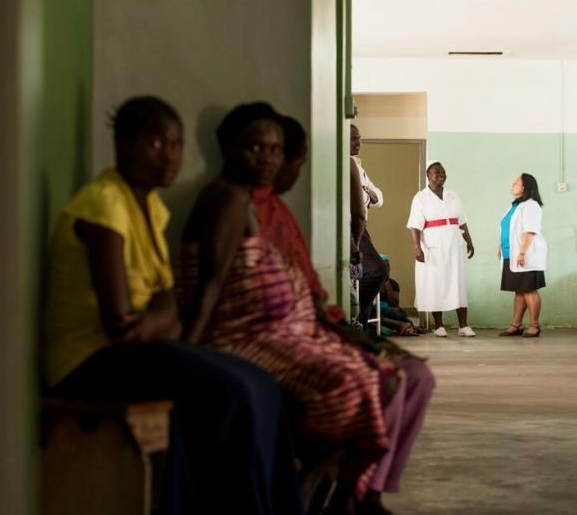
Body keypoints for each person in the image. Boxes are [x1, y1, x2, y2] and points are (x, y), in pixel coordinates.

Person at [43, 96, 302, 514]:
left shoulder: (151, 207)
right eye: (157, 144)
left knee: (261, 384)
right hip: (89, 361)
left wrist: (155, 322)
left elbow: (167, 304)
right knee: (230, 394)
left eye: (177, 145)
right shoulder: (104, 203)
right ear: (124, 146)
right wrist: (156, 322)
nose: (171, 157)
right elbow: (119, 324)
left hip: (137, 350)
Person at [182, 103, 434, 515]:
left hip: (287, 330)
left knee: (396, 374)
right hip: (247, 336)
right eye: (255, 148)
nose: (268, 160)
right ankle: (332, 491)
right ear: (228, 148)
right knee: (368, 381)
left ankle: (350, 493)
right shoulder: (227, 199)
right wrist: (189, 354)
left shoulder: (252, 203)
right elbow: (211, 287)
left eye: (276, 151)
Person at [407, 161, 477, 337]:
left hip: (454, 243)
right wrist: (417, 248)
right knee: (436, 283)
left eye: (443, 173)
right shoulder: (420, 198)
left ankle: (463, 325)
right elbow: (415, 225)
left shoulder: (452, 195)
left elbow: (461, 221)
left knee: (458, 282)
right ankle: (439, 326)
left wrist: (469, 241)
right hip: (433, 246)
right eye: (437, 173)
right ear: (428, 175)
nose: (441, 176)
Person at [497, 173, 547, 338]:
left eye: (516, 182)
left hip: (524, 254)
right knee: (519, 290)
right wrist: (501, 246)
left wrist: (522, 252)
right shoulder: (515, 205)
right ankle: (516, 325)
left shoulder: (531, 205)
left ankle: (534, 325)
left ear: (524, 187)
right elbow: (509, 229)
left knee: (529, 289)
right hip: (510, 253)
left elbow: (529, 230)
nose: (513, 184)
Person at [351, 124, 388, 328]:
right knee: (377, 271)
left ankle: (360, 323)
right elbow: (358, 198)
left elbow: (379, 197)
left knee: (374, 272)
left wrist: (370, 194)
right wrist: (367, 194)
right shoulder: (345, 164)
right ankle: (353, 316)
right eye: (353, 139)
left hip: (362, 224)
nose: (358, 143)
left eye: (359, 138)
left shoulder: (358, 167)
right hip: (354, 224)